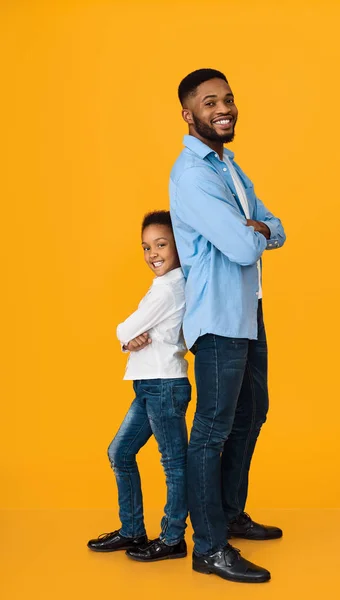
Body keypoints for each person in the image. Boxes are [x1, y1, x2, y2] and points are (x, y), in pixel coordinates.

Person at [169, 69, 287, 583]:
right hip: (217, 317)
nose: (224, 108)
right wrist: (256, 231)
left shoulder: (230, 167)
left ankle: (230, 514)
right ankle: (209, 547)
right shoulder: (192, 175)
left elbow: (276, 228)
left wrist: (260, 229)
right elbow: (244, 246)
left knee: (251, 413)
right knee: (212, 429)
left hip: (246, 310)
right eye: (210, 101)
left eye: (229, 99)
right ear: (188, 114)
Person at [87, 210, 191, 563]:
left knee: (174, 463)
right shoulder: (162, 286)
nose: (153, 254)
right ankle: (132, 529)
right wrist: (128, 340)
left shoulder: (171, 288)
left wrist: (125, 336)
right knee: (120, 453)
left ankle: (173, 538)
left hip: (164, 383)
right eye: (146, 247)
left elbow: (123, 328)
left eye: (161, 245)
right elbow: (130, 335)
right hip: (149, 384)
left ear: (178, 246)